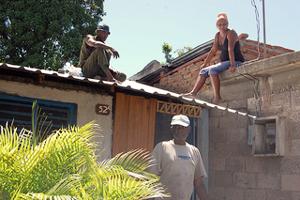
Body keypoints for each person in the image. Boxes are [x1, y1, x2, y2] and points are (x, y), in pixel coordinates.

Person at [182, 13, 244, 104]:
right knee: (203, 71)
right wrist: (205, 63)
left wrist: (233, 64)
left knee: (213, 70)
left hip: (235, 61)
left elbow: (230, 49)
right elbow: (213, 50)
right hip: (225, 62)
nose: (222, 26)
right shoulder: (217, 35)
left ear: (228, 24)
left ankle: (217, 97)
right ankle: (193, 93)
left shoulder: (231, 33)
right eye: (220, 24)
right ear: (216, 26)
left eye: (224, 24)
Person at [151, 114, 208, 200]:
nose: (179, 130)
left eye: (183, 127)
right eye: (176, 127)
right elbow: (151, 179)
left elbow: (199, 183)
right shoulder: (162, 147)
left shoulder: (194, 151)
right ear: (171, 129)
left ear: (189, 130)